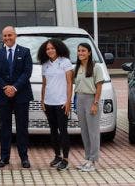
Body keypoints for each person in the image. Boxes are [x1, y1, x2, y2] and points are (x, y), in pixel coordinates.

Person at [0, 26, 34, 168]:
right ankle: (4, 158)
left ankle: (24, 158)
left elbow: (27, 72)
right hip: (4, 96)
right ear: (2, 37)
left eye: (10, 35)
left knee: (22, 127)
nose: (7, 38)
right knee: (5, 128)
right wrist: (5, 87)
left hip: (21, 95)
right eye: (5, 36)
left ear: (15, 35)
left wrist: (14, 87)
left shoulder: (25, 52)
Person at [38, 38, 73, 171]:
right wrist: (42, 101)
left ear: (57, 48)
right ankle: (57, 156)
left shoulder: (65, 62)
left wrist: (68, 101)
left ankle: (65, 159)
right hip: (48, 102)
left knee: (63, 130)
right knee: (53, 131)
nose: (50, 51)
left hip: (61, 103)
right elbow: (44, 84)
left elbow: (69, 83)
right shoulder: (45, 64)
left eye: (52, 48)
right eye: (47, 49)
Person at [74, 42, 105, 173]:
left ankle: (93, 161)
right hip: (79, 99)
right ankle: (87, 159)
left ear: (89, 52)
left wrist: (95, 103)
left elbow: (99, 86)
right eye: (79, 51)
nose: (81, 53)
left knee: (93, 132)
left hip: (91, 99)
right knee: (84, 132)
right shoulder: (77, 67)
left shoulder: (96, 67)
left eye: (83, 51)